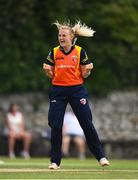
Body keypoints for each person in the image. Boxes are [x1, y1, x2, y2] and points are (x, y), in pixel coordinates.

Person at [43, 20, 110, 169]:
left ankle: (101, 157)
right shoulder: (53, 52)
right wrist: (47, 71)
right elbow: (51, 73)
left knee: (86, 123)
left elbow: (85, 74)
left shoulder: (80, 51)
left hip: (76, 90)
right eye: (59, 35)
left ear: (71, 37)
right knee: (55, 125)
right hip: (58, 91)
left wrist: (88, 70)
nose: (61, 38)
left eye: (64, 35)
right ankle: (55, 161)